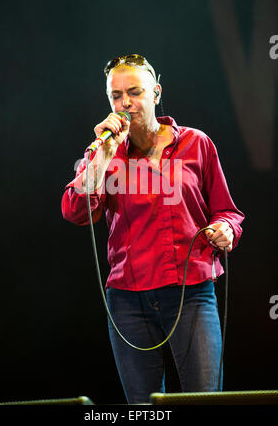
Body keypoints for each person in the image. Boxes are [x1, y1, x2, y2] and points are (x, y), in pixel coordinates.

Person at [61, 54, 245, 404]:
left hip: (190, 293)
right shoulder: (105, 152)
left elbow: (228, 211)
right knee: (143, 408)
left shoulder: (196, 143)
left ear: (156, 93)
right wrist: (102, 155)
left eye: (135, 92)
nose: (125, 103)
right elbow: (75, 211)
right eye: (116, 96)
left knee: (205, 403)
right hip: (128, 300)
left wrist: (225, 229)